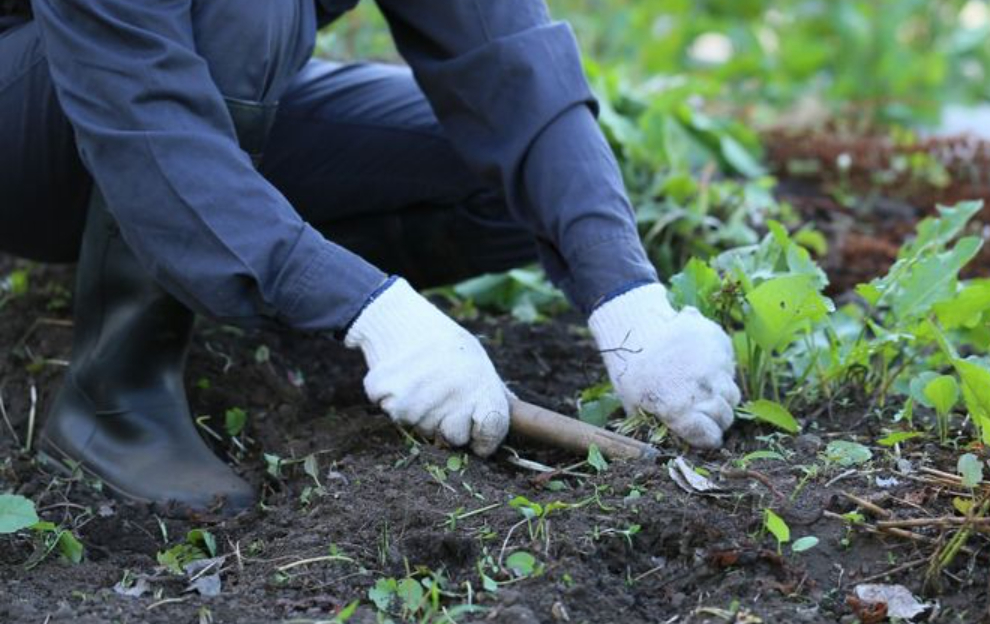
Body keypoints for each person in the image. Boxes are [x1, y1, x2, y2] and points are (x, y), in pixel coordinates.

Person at [0, 0, 740, 516]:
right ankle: (115, 397)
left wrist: (627, 296)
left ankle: (233, 256)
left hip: (176, 90)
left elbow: (508, 58)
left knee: (501, 182)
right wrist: (371, 310)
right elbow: (147, 126)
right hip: (47, 117)